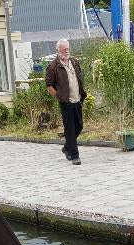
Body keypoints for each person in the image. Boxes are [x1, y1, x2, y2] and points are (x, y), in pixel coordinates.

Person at [45, 38, 87, 166]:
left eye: (67, 48)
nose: (66, 51)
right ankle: (75, 156)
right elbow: (49, 85)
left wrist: (82, 92)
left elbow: (79, 78)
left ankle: (67, 147)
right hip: (66, 102)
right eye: (64, 49)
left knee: (79, 126)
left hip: (77, 99)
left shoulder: (75, 62)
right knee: (70, 129)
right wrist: (59, 97)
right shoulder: (53, 66)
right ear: (58, 50)